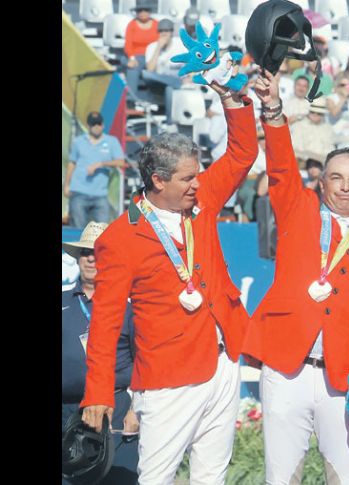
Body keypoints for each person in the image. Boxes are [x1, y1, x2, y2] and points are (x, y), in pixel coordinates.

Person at [79, 81, 258, 484]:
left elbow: (244, 153)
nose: (198, 184)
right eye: (187, 178)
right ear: (158, 181)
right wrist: (98, 394)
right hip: (167, 377)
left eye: (197, 176)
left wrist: (233, 102)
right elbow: (105, 323)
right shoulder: (119, 239)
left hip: (223, 360)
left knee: (211, 476)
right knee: (156, 478)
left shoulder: (202, 199)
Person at [241, 69, 349, 485]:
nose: (345, 188)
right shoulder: (299, 212)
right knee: (281, 478)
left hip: (343, 378)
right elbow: (279, 167)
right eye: (337, 178)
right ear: (321, 181)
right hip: (287, 370)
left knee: (345, 479)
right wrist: (273, 108)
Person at [62, 222, 139, 485]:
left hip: (115, 410)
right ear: (78, 258)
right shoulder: (61, 302)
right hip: (66, 410)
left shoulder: (130, 307)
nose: (91, 258)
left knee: (117, 479)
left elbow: (144, 362)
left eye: (98, 251)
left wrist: (136, 409)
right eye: (85, 253)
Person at [64, 112, 126, 228]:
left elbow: (121, 162)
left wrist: (101, 164)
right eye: (93, 124)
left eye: (98, 124)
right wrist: (66, 185)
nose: (96, 127)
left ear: (103, 125)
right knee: (78, 229)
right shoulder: (78, 142)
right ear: (88, 126)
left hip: (100, 194)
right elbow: (72, 164)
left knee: (102, 230)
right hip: (78, 192)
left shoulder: (111, 142)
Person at [141, 18, 188, 115]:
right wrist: (158, 48)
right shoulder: (152, 47)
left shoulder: (180, 45)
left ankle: (169, 123)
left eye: (166, 31)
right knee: (147, 74)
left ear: (171, 32)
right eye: (161, 31)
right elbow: (150, 69)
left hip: (178, 80)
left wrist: (190, 78)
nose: (163, 33)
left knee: (169, 89)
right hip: (158, 83)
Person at [124, 0, 159, 102]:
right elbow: (128, 44)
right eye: (140, 10)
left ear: (150, 11)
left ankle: (155, 100)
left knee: (156, 70)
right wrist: (131, 58)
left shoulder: (157, 24)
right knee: (132, 68)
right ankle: (131, 100)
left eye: (146, 10)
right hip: (136, 56)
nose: (143, 12)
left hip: (153, 56)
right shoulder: (132, 25)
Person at [289, 97, 336, 162]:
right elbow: (296, 149)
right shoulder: (298, 126)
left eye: (319, 113)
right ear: (308, 112)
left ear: (323, 114)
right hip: (302, 163)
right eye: (313, 112)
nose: (315, 115)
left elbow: (330, 150)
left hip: (321, 163)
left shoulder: (328, 128)